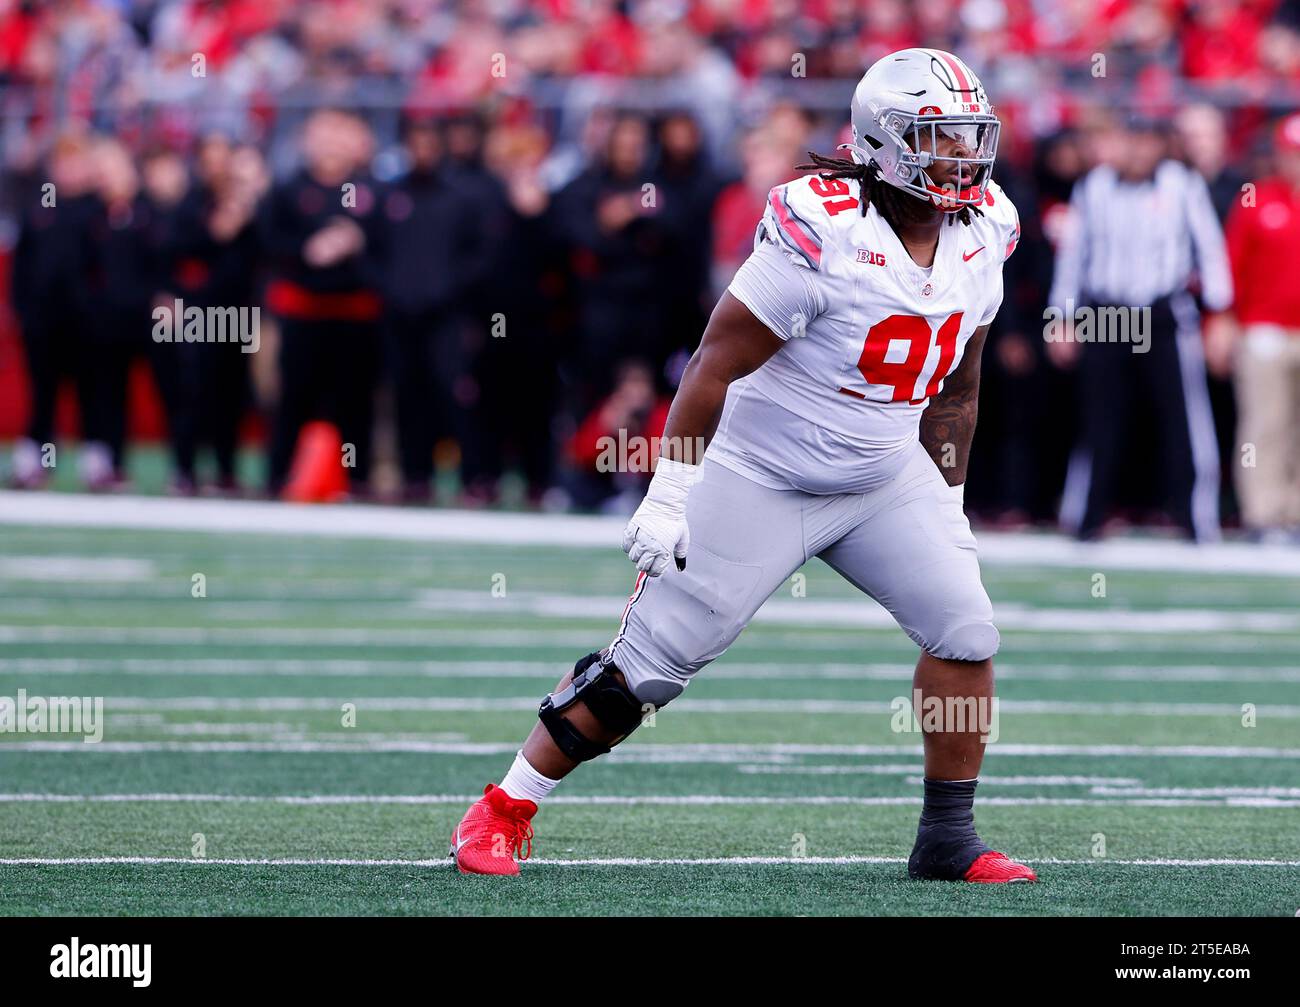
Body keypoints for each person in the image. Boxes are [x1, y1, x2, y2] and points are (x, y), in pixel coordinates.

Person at [450, 49, 1036, 884]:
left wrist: (950, 496)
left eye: (970, 140)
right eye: (939, 141)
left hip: (881, 472)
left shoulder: (987, 229)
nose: (962, 160)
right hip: (761, 470)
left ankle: (948, 835)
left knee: (966, 629)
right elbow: (713, 365)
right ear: (885, 143)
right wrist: (670, 492)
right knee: (647, 671)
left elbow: (960, 381)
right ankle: (503, 806)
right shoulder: (823, 228)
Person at [1049, 117, 1232, 542]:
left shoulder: (1182, 185)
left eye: (1146, 142)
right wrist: (1061, 316)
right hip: (1107, 314)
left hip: (1164, 312)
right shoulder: (1092, 187)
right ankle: (1085, 518)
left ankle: (1195, 520)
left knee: (1183, 418)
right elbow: (1073, 257)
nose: (1136, 152)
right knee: (1099, 418)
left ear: (1159, 145)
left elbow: (1210, 250)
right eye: (1128, 141)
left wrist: (1219, 311)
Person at [1217, 113, 1300, 541]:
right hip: (1263, 327)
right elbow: (1231, 265)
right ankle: (1263, 513)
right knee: (1265, 423)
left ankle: (1294, 510)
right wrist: (1224, 320)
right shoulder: (1257, 200)